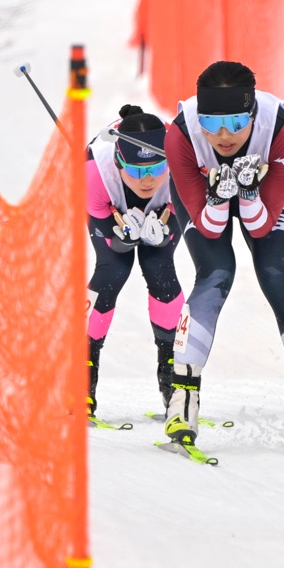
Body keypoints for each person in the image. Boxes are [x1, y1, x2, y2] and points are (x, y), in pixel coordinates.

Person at [162, 60, 284, 453]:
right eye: (211, 124)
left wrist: (246, 194)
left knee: (278, 277)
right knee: (215, 272)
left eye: (235, 122)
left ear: (253, 114)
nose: (223, 136)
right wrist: (216, 197)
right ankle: (183, 398)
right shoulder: (180, 136)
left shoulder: (281, 131)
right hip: (204, 193)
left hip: (263, 195)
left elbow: (261, 228)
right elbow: (209, 228)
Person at [85, 104, 188, 419]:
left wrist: (163, 233)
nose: (148, 180)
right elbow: (111, 241)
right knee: (113, 270)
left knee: (161, 270)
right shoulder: (95, 173)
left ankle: (173, 377)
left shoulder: (184, 162)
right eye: (137, 171)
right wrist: (122, 238)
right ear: (119, 163)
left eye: (157, 168)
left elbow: (185, 210)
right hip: (110, 204)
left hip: (167, 205)